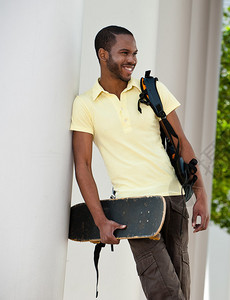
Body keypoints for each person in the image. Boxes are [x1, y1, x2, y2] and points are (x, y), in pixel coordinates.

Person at [70, 25, 209, 300]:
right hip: (135, 208)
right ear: (102, 54)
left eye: (134, 53)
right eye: (124, 52)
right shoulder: (86, 104)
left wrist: (202, 196)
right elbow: (83, 165)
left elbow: (182, 142)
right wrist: (100, 220)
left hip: (174, 200)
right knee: (165, 291)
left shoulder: (152, 90)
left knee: (181, 288)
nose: (131, 59)